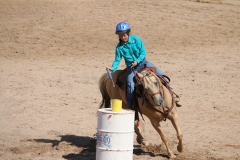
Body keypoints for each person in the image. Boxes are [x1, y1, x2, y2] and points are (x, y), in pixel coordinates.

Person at [109, 21, 165, 109]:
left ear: (128, 33)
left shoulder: (136, 39)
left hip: (144, 63)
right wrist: (113, 68)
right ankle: (131, 108)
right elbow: (117, 59)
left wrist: (137, 61)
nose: (123, 37)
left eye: (124, 35)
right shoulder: (119, 47)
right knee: (130, 86)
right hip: (131, 69)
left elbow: (143, 52)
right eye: (120, 35)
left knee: (162, 75)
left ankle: (171, 96)